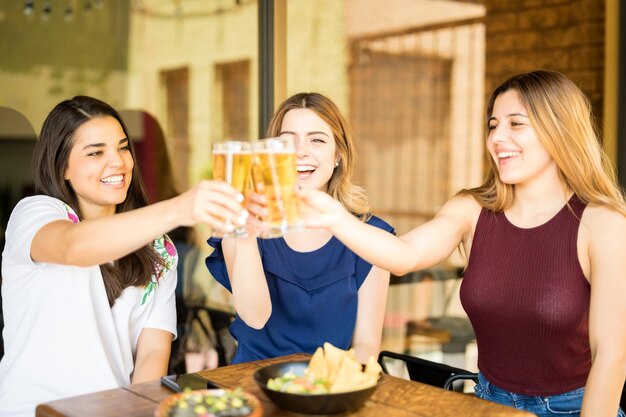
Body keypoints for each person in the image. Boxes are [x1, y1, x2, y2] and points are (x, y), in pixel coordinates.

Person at [298, 71, 626, 417]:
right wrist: (332, 214)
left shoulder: (603, 223)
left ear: (560, 130)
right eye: (493, 124)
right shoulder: (472, 210)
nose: (497, 137)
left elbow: (611, 354)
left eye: (516, 124)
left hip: (574, 409)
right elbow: (403, 256)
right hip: (487, 402)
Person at [0, 96, 246, 417]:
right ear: (63, 168)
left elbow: (152, 356)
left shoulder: (156, 250)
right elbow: (73, 247)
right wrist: (179, 208)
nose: (117, 162)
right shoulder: (35, 214)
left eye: (123, 147)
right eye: (96, 152)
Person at [205, 92, 395, 364]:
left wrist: (339, 391)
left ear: (338, 154)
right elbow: (255, 317)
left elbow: (366, 345)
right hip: (250, 384)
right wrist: (245, 231)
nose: (300, 152)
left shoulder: (371, 236)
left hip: (329, 389)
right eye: (287, 141)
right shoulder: (239, 224)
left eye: (316, 140)